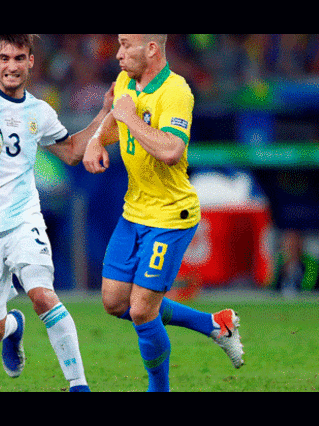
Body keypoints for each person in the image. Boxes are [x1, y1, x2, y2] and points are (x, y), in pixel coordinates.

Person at [0, 34, 113, 392]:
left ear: (30, 62)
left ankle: (79, 385)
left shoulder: (39, 112)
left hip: (22, 219)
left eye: (20, 58)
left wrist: (104, 114)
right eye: (5, 58)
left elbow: (73, 150)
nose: (12, 66)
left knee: (42, 295)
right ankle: (13, 327)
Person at [83, 34, 245, 392]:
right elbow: (115, 120)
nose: (119, 53)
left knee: (142, 310)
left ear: (151, 49)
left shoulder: (176, 91)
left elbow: (172, 149)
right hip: (134, 212)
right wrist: (96, 140)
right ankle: (214, 324)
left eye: (126, 45)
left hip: (171, 216)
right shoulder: (126, 80)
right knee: (113, 302)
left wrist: (127, 115)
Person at [272, 229, 319, 297]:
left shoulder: (311, 265)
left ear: (300, 245)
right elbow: (272, 289)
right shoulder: (278, 265)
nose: (291, 248)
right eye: (289, 245)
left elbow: (310, 289)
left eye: (294, 244)